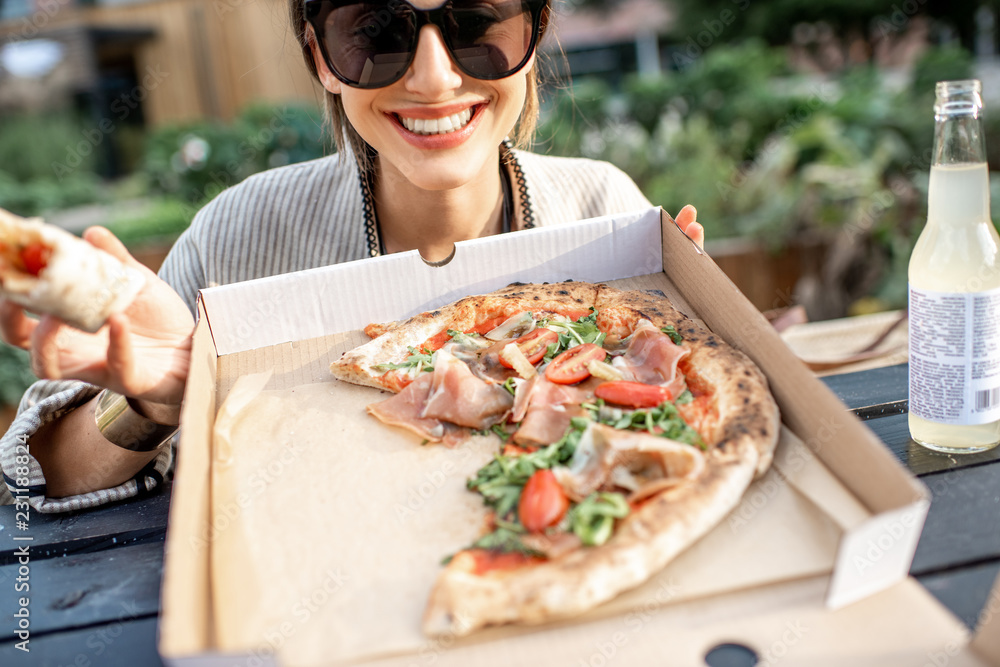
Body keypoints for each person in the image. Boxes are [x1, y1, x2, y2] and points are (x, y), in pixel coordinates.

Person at [0, 0, 702, 511]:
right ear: (320, 58)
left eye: (476, 26)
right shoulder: (238, 238)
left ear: (535, 30)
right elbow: (34, 480)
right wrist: (155, 403)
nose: (434, 79)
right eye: (376, 31)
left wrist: (699, 339)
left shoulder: (606, 211)